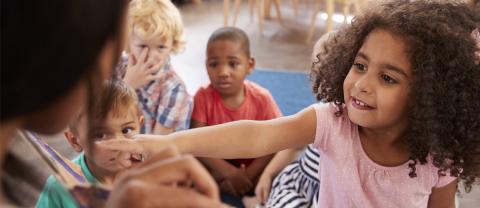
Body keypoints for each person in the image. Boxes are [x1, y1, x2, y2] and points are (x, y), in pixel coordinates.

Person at [100, 1, 480, 207]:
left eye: (388, 77)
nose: (361, 84)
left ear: (429, 96)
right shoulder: (333, 121)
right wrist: (168, 143)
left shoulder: (439, 156)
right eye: (359, 66)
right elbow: (257, 135)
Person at [1, 0, 224, 207]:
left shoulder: (174, 92)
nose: (148, 56)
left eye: (160, 47)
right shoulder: (57, 185)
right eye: (137, 45)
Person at [192, 27, 282, 207]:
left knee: (282, 172)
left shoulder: (262, 98)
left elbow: (277, 141)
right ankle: (222, 186)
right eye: (214, 64)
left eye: (233, 64)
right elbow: (195, 142)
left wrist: (247, 175)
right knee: (188, 167)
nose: (223, 72)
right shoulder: (202, 96)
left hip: (253, 166)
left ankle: (250, 193)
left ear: (250, 65)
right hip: (217, 165)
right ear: (206, 65)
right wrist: (229, 173)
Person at [249, 34, 332, 208]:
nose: (322, 83)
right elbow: (294, 145)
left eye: (332, 74)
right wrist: (268, 174)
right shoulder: (321, 113)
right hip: (300, 186)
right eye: (317, 74)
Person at [36, 80, 144, 208]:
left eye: (126, 130)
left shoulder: (152, 171)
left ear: (140, 125)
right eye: (100, 135)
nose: (118, 145)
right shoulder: (59, 187)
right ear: (74, 140)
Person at [116, 0, 192, 134]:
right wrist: (127, 85)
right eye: (142, 46)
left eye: (161, 47)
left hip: (152, 152)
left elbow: (158, 147)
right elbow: (97, 116)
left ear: (172, 44)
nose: (151, 56)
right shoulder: (116, 68)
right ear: (128, 41)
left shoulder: (174, 89)